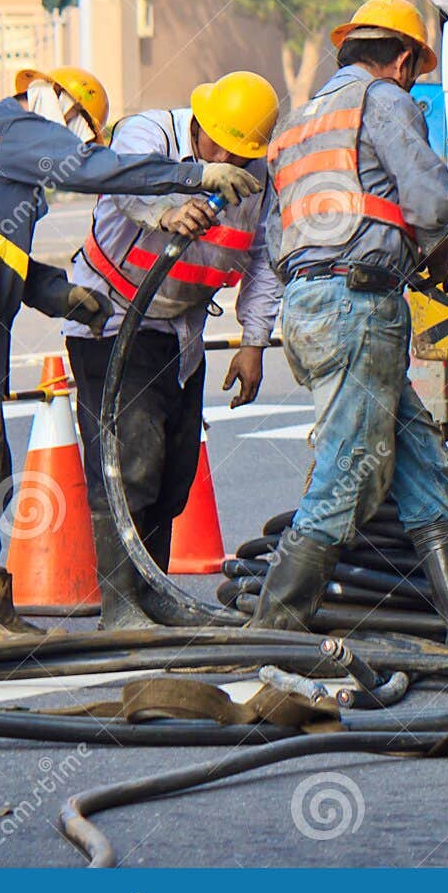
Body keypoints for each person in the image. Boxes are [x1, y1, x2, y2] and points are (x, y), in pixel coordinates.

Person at [245, 0, 448, 654]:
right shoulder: (383, 100)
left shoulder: (300, 123)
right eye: (411, 68)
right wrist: (428, 250)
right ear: (400, 60)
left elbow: (273, 243)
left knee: (423, 466)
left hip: (310, 307)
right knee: (353, 474)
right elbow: (430, 201)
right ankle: (272, 626)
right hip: (358, 305)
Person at [0, 66, 261, 638]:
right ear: (56, 101)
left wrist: (59, 295)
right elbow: (95, 168)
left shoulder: (4, 174)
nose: (78, 142)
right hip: (54, 342)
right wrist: (191, 177)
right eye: (82, 129)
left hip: (3, 349)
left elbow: (2, 259)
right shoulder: (16, 129)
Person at [64, 71, 282, 630]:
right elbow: (121, 179)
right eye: (221, 146)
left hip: (179, 330)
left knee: (174, 470)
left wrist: (254, 342)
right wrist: (163, 209)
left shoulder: (259, 178)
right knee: (128, 463)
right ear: (200, 123)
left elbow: (262, 261)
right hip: (111, 317)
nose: (231, 159)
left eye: (243, 152)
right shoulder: (148, 135)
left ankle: (152, 589)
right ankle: (120, 605)